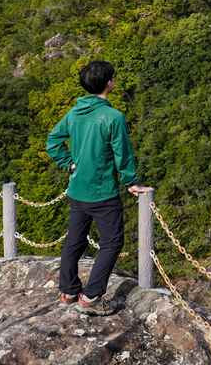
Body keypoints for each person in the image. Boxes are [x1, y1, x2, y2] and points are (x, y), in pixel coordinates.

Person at [46, 60, 151, 315]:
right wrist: (131, 182)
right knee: (112, 242)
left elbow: (53, 141)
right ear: (109, 83)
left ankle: (69, 290)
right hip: (102, 191)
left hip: (77, 189)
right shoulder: (113, 117)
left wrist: (69, 164)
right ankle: (91, 297)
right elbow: (122, 154)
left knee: (74, 240)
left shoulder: (75, 113)